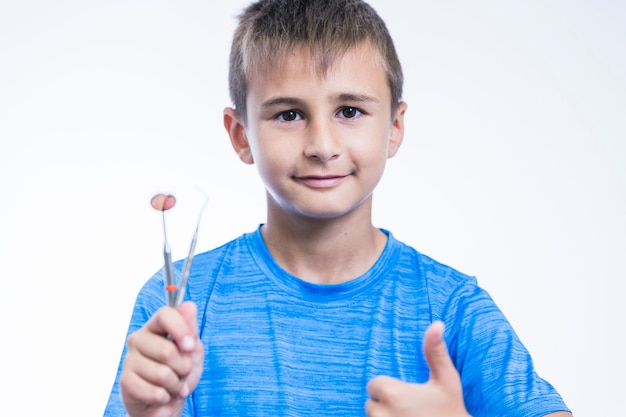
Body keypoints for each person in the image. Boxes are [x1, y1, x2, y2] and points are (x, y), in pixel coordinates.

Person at [104, 1, 572, 416]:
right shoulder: (182, 306)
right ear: (240, 134)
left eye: (349, 111)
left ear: (394, 127)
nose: (322, 146)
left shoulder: (452, 308)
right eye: (289, 114)